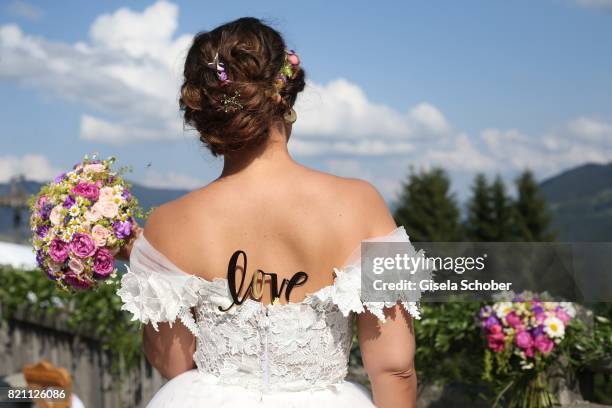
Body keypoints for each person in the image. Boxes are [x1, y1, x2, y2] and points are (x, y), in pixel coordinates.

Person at [117, 17, 417, 408]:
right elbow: (394, 367)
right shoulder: (361, 204)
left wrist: (143, 260)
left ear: (205, 114)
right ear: (285, 95)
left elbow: (176, 365)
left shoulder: (168, 224)